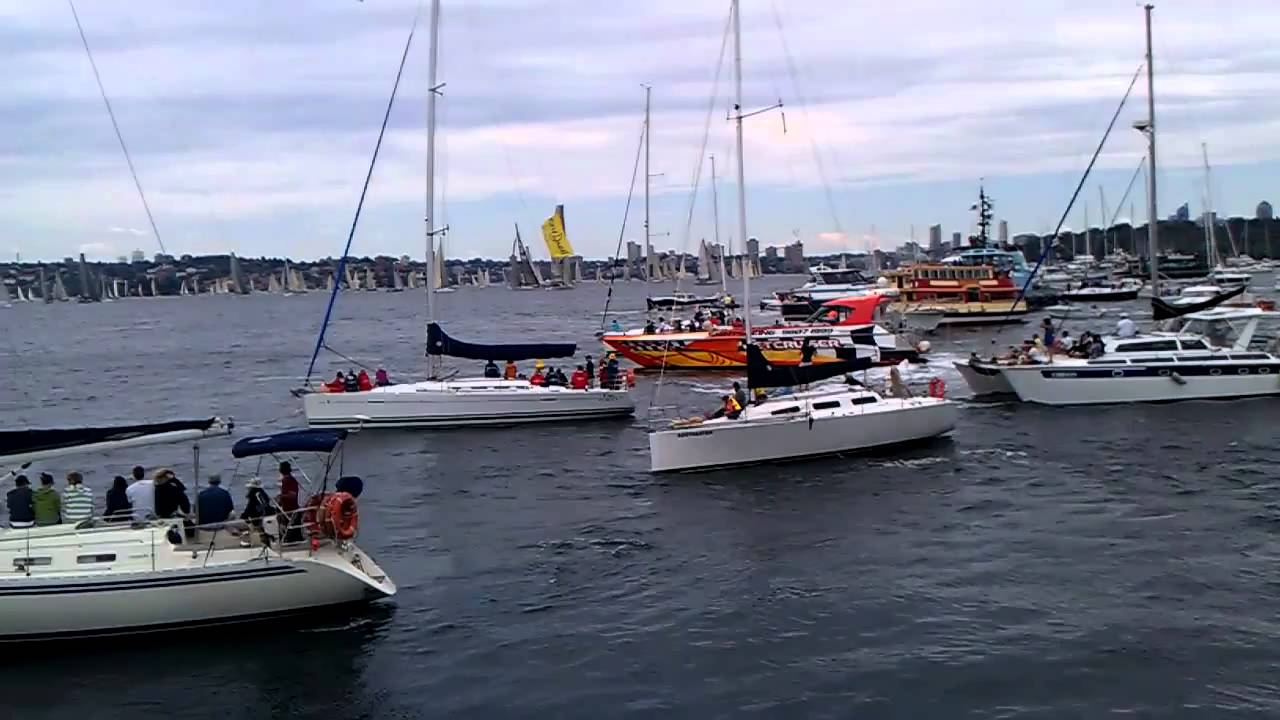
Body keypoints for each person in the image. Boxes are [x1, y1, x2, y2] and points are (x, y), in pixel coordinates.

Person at [241, 478, 277, 547]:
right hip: (265, 515)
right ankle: (266, 538)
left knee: (243, 521)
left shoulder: (253, 496)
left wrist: (244, 516)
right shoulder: (262, 493)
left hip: (257, 518)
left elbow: (249, 509)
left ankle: (247, 540)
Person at [276, 462, 303, 543]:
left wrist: (281, 496)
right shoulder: (285, 480)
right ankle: (285, 538)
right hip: (286, 508)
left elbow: (293, 495)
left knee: (290, 524)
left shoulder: (290, 481)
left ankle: (290, 539)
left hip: (291, 508)